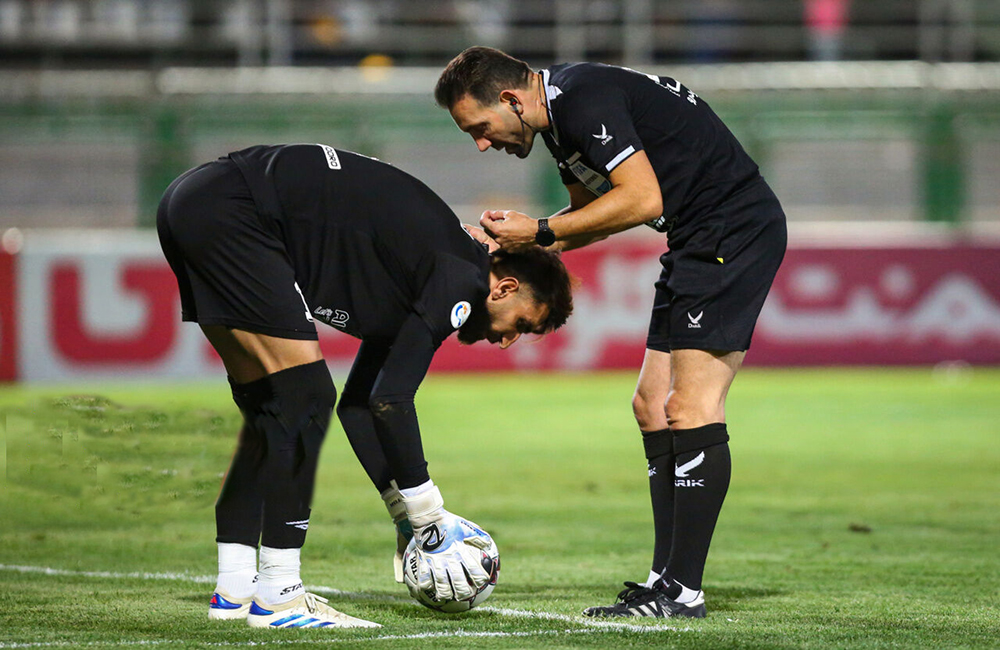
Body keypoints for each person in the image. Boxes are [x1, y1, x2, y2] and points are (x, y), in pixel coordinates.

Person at [156, 143, 573, 629]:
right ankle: (281, 599)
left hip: (194, 200)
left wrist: (401, 512)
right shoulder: (462, 277)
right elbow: (392, 400)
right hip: (238, 209)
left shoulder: (426, 271)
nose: (507, 343)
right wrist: (428, 517)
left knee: (272, 406)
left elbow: (362, 405)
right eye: (521, 323)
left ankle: (234, 588)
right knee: (304, 395)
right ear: (504, 287)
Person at [435, 47, 786, 619]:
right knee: (651, 404)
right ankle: (663, 577)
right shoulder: (559, 119)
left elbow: (641, 200)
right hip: (697, 240)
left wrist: (541, 228)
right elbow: (591, 214)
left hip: (730, 234)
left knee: (690, 406)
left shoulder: (582, 98)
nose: (481, 143)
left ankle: (684, 591)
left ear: (509, 100)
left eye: (480, 127)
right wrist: (515, 243)